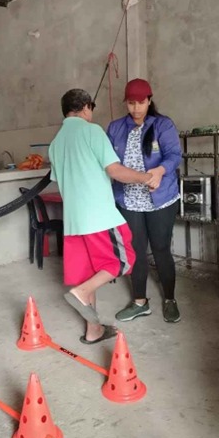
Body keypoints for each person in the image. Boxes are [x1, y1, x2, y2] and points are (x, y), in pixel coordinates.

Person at [49, 88, 157, 344]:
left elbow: (60, 180)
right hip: (99, 217)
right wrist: (146, 177)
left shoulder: (55, 143)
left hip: (73, 222)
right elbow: (115, 170)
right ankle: (82, 292)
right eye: (91, 108)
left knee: (88, 272)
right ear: (86, 107)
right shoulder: (92, 131)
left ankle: (93, 330)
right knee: (124, 259)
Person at [107, 78, 182, 323]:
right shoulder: (116, 128)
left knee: (160, 248)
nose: (136, 108)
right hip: (129, 200)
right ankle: (140, 302)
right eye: (131, 103)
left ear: (149, 100)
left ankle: (169, 299)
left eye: (141, 102)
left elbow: (174, 155)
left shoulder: (162, 125)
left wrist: (159, 171)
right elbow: (108, 161)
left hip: (160, 198)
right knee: (136, 250)